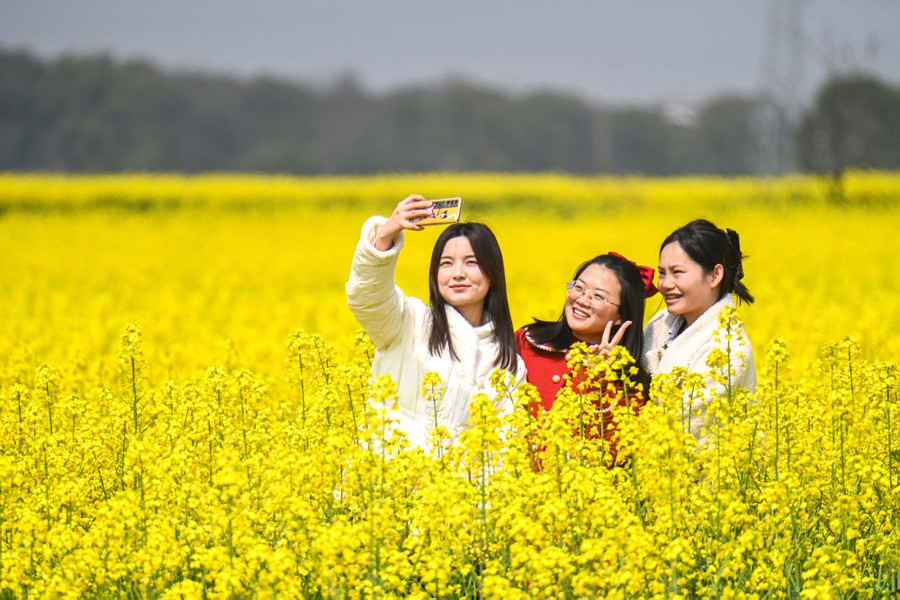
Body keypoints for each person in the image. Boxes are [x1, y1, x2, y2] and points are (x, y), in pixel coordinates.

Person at [347, 195, 526, 450]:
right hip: (385, 484)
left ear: (493, 274)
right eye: (446, 264)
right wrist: (385, 237)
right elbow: (367, 297)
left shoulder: (509, 366)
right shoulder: (409, 321)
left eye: (472, 263)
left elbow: (503, 453)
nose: (458, 274)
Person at [515, 252, 657, 461]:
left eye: (598, 296)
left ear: (621, 315)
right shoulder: (527, 341)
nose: (582, 299)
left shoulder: (626, 383)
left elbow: (612, 456)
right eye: (579, 287)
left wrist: (600, 380)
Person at [642, 219, 756, 440]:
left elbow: (686, 428)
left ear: (715, 275)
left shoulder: (729, 350)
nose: (665, 284)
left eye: (677, 272)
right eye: (662, 272)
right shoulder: (662, 323)